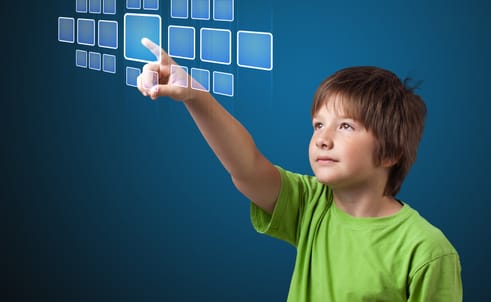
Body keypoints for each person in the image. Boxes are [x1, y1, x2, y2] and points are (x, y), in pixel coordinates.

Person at [137, 38, 462, 301]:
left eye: (346, 126)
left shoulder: (427, 250)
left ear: (390, 151)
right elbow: (246, 167)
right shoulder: (311, 203)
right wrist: (195, 95)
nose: (322, 138)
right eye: (318, 124)